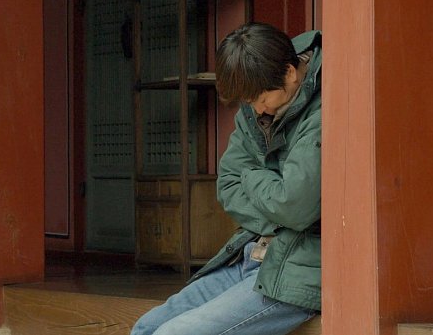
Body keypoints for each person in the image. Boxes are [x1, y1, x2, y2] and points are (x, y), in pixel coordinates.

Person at [130, 22, 322, 335]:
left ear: (289, 73)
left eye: (261, 99)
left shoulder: (322, 108)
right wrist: (278, 206)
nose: (257, 109)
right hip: (251, 253)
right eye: (249, 102)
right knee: (146, 327)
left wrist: (253, 174)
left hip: (296, 270)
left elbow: (294, 206)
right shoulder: (258, 98)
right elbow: (229, 184)